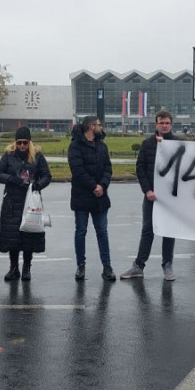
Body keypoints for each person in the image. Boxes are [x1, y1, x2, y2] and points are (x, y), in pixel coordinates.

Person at [121, 110, 177, 281]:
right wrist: (147, 190)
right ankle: (138, 266)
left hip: (171, 197)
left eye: (167, 123)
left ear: (171, 124)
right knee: (148, 230)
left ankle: (167, 265)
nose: (164, 125)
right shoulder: (147, 144)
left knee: (169, 231)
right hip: (151, 196)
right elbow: (140, 168)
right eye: (161, 123)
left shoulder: (179, 144)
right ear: (156, 124)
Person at [0, 127, 52, 281]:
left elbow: (47, 175)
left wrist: (39, 184)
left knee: (29, 235)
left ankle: (27, 267)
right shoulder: (8, 155)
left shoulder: (37, 156)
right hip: (12, 201)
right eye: (19, 143)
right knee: (12, 237)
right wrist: (11, 179)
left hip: (31, 201)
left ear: (29, 142)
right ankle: (14, 268)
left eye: (25, 143)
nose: (21, 146)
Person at [68, 116, 115, 282]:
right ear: (90, 127)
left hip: (100, 197)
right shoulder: (75, 146)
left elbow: (108, 168)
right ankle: (81, 265)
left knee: (102, 232)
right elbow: (77, 170)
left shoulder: (102, 146)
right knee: (81, 232)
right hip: (82, 196)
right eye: (98, 125)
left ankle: (107, 266)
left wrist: (102, 185)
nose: (101, 127)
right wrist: (93, 187)